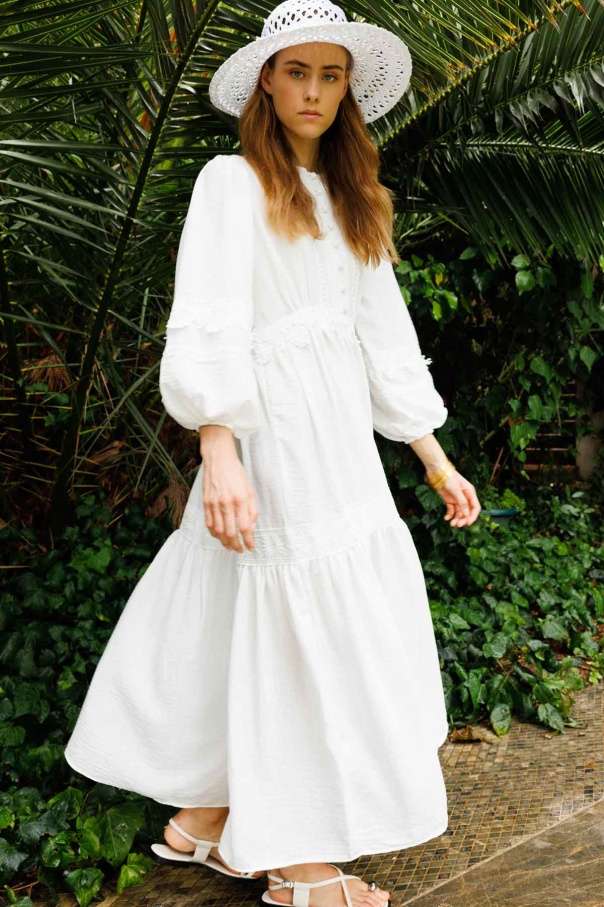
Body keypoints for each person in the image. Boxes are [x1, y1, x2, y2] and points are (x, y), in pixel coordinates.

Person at [63, 2, 481, 905]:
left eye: (331, 76)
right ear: (266, 79)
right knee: (292, 616)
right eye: (298, 72)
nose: (314, 92)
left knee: (251, 603)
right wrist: (218, 447)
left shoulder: (354, 196)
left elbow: (383, 334)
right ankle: (296, 858)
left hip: (341, 447)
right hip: (271, 434)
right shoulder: (231, 182)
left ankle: (208, 815)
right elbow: (209, 317)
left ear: (348, 90)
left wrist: (433, 456)